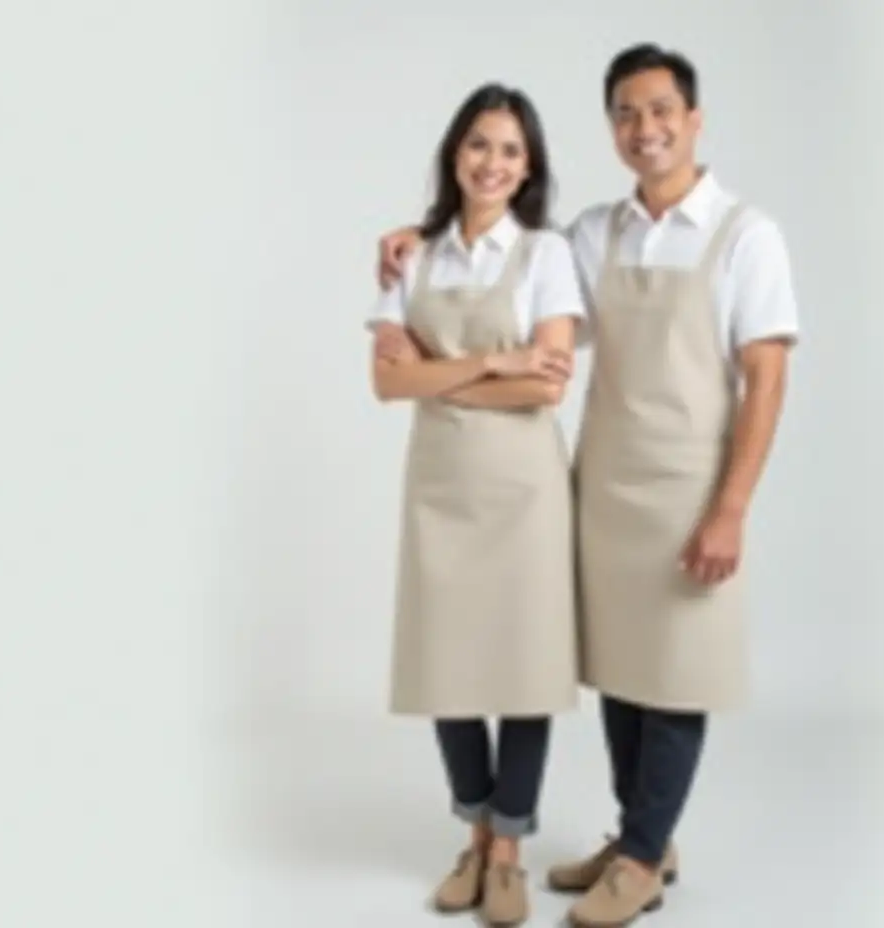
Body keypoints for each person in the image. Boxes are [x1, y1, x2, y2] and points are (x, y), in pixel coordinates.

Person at [375, 44, 799, 928]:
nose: (645, 129)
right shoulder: (594, 234)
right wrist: (417, 235)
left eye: (660, 111)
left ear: (694, 120)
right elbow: (498, 250)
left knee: (676, 673)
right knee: (620, 670)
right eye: (626, 115)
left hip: (692, 481)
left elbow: (766, 376)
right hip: (603, 483)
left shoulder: (745, 235)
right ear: (611, 129)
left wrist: (731, 507)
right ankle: (641, 832)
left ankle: (642, 859)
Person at [366, 82, 585, 926]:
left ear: (528, 169)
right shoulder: (411, 256)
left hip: (525, 491)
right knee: (447, 665)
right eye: (479, 144)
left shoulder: (546, 256)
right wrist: (494, 364)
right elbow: (386, 383)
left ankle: (506, 852)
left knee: (524, 669)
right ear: (455, 153)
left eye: (510, 151)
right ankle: (473, 828)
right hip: (441, 486)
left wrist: (444, 372)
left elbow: (546, 391)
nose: (491, 163)